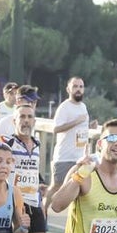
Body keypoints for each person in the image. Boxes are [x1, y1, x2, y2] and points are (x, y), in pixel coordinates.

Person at [1, 106, 48, 233]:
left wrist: (41, 183)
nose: (26, 120)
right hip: (14, 202)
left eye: (30, 117)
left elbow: (33, 170)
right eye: (22, 117)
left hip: (34, 202)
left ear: (34, 121)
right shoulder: (8, 142)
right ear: (14, 121)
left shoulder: (37, 144)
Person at [47, 77, 98, 212]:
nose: (78, 89)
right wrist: (76, 121)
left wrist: (90, 126)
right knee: (56, 186)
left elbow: (81, 128)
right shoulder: (64, 107)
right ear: (68, 89)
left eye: (81, 86)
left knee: (78, 187)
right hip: (64, 155)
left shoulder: (83, 107)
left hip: (80, 157)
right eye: (75, 86)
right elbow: (56, 129)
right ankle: (42, 211)